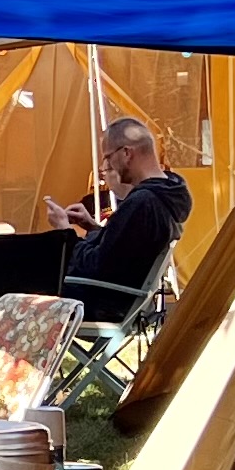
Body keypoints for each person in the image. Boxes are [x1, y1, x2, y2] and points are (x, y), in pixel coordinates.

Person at [51, 116, 191, 319]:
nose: (107, 165)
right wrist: (92, 227)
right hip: (125, 301)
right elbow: (120, 250)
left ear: (126, 153)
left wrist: (65, 232)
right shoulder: (168, 195)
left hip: (100, 303)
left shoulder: (142, 203)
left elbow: (95, 267)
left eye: (108, 157)